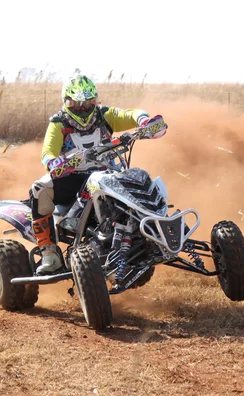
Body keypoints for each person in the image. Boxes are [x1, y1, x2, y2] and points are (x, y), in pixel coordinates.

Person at [30, 74, 167, 275]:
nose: (84, 108)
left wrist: (144, 120)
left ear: (95, 100)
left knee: (141, 179)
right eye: (77, 104)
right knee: (38, 189)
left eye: (88, 103)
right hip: (72, 177)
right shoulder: (58, 124)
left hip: (108, 175)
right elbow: (47, 153)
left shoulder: (104, 115)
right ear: (67, 102)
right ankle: (49, 253)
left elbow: (129, 115)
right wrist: (54, 162)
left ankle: (157, 230)